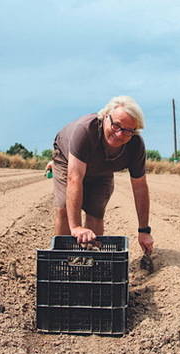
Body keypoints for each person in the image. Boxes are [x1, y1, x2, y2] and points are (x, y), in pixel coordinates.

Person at [52, 96, 154, 255]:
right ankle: (63, 258)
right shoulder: (85, 131)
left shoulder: (135, 146)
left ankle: (92, 260)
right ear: (105, 116)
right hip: (68, 161)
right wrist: (76, 227)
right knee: (65, 208)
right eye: (116, 126)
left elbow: (140, 187)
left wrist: (144, 230)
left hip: (103, 170)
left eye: (128, 131)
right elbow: (74, 178)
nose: (120, 134)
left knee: (95, 211)